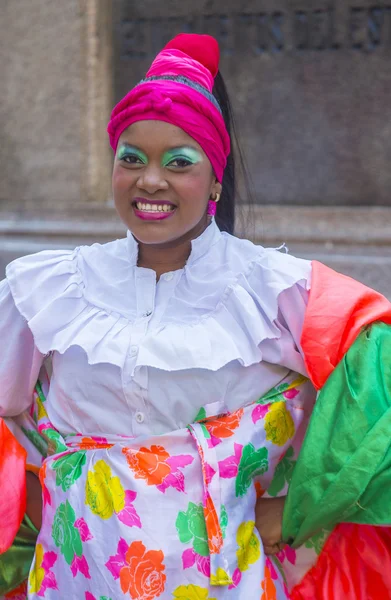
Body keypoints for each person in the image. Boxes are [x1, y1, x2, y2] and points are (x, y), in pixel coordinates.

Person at [1, 33, 391, 600]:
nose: (150, 180)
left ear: (213, 179)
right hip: (75, 577)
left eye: (177, 162)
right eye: (130, 159)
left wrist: (291, 512)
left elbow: (377, 399)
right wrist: (42, 500)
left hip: (227, 581)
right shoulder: (44, 288)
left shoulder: (280, 291)